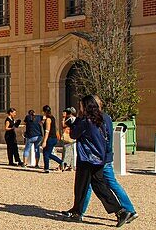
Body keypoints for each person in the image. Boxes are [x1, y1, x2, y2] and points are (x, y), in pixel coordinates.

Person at [60, 95, 137, 226]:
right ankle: (120, 211)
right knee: (100, 187)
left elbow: (73, 135)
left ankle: (78, 213)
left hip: (87, 158)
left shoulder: (85, 121)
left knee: (82, 187)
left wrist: (73, 123)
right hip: (99, 158)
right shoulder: (101, 119)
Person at [41, 105, 64, 173]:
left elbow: (47, 131)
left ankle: (47, 168)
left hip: (50, 138)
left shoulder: (48, 119)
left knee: (46, 154)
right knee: (48, 153)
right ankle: (61, 162)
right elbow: (55, 127)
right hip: (54, 138)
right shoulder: (52, 118)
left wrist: (44, 141)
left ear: (44, 111)